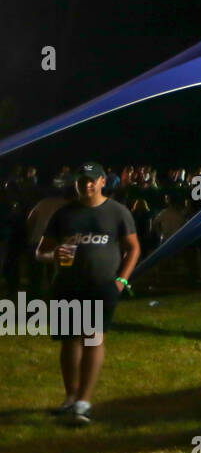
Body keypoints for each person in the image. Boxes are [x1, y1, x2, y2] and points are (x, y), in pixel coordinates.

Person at [34, 163, 140, 426]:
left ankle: (84, 401)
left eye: (92, 180)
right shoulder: (64, 214)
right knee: (70, 341)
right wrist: (52, 255)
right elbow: (41, 251)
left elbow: (133, 248)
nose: (87, 185)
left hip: (101, 286)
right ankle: (70, 397)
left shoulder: (117, 212)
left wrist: (121, 280)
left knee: (93, 339)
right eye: (82, 181)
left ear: (103, 181)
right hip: (68, 285)